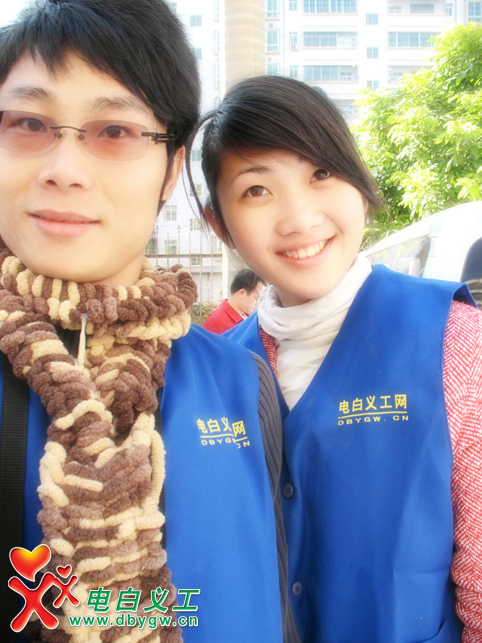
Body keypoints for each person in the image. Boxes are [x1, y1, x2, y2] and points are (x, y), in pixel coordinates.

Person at [0, 4, 292, 642]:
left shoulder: (242, 381)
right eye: (28, 123)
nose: (64, 169)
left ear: (171, 168)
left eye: (115, 130)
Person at [188, 75, 482, 643]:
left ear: (358, 182)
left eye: (321, 173)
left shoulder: (454, 339)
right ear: (219, 224)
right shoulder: (214, 371)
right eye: (257, 190)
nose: (300, 219)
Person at [203, 269, 265, 334]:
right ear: (242, 293)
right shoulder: (216, 323)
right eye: (256, 298)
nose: (257, 303)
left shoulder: (246, 317)